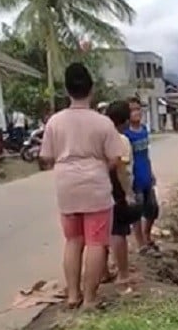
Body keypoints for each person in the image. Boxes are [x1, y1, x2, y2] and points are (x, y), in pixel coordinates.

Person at [39, 62, 125, 310]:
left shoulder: (55, 122)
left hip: (66, 186)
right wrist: (97, 169)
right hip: (96, 187)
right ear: (92, 89)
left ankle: (73, 295)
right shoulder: (102, 123)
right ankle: (90, 299)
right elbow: (115, 158)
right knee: (96, 242)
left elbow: (47, 156)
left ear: (67, 90)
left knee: (73, 240)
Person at [104, 100, 139, 284]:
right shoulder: (121, 139)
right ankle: (123, 274)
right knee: (118, 231)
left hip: (97, 185)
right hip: (115, 186)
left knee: (101, 231)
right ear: (125, 120)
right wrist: (128, 193)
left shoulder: (98, 135)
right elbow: (122, 170)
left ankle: (102, 272)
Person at [124, 97, 160, 254]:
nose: (136, 113)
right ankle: (141, 244)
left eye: (138, 109)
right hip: (135, 179)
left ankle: (147, 235)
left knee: (152, 209)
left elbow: (146, 155)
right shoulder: (126, 135)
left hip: (146, 176)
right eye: (132, 110)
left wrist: (151, 173)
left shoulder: (144, 130)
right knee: (136, 213)